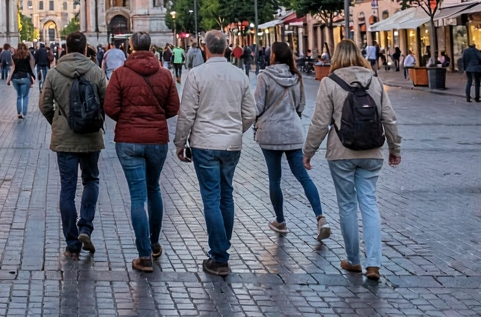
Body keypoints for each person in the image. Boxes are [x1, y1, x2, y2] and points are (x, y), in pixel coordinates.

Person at [303, 40, 402, 282]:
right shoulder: (374, 80)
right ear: (358, 55)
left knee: (347, 205)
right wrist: (394, 147)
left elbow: (319, 123)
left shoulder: (329, 82)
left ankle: (354, 261)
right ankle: (374, 264)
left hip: (341, 152)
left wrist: (309, 152)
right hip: (372, 151)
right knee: (369, 202)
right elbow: (389, 118)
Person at [174, 31, 257, 278]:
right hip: (231, 145)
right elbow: (250, 113)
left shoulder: (197, 75)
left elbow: (187, 113)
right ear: (227, 48)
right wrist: (235, 130)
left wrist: (180, 142)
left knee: (211, 198)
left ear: (204, 48)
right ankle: (221, 248)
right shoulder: (239, 74)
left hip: (204, 144)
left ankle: (219, 256)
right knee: (226, 195)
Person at [105, 31, 180, 273]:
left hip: (128, 140)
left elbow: (110, 107)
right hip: (157, 140)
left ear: (130, 47)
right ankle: (155, 243)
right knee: (154, 188)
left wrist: (127, 120)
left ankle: (144, 255)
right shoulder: (165, 74)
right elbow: (173, 108)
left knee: (138, 197)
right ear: (151, 47)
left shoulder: (120, 74)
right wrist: (156, 119)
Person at [38, 32, 107, 259]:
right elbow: (107, 102)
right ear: (86, 47)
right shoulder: (96, 72)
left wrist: (58, 122)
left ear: (65, 48)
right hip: (91, 138)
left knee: (67, 188)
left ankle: (71, 244)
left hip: (64, 139)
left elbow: (44, 105)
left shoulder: (55, 73)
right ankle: (85, 227)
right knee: (91, 180)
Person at [254, 41, 331, 240]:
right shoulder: (296, 77)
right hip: (293, 132)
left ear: (272, 56)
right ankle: (320, 217)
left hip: (270, 133)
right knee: (304, 177)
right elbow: (301, 104)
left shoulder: (264, 76)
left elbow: (258, 106)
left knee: (274, 179)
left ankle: (280, 221)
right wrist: (291, 116)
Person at [8, 42, 35, 119]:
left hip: (15, 78)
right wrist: (32, 76)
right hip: (25, 76)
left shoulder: (14, 56)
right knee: (25, 96)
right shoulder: (28, 56)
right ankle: (23, 113)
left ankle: (19, 112)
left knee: (19, 96)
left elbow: (13, 68)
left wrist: (9, 78)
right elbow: (31, 66)